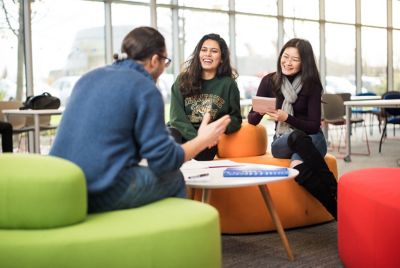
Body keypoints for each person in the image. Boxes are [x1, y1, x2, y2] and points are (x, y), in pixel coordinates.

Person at [50, 27, 231, 213]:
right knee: (174, 178)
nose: (163, 68)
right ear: (154, 60)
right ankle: (177, 239)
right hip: (97, 192)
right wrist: (202, 140)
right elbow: (164, 161)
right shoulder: (145, 88)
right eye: (165, 61)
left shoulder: (89, 77)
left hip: (61, 186)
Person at [247, 38, 337, 219]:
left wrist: (287, 117)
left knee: (298, 167)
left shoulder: (311, 84)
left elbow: (313, 126)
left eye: (294, 59)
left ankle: (338, 212)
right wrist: (261, 111)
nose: (287, 62)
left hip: (312, 139)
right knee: (295, 136)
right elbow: (252, 120)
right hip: (283, 141)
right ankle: (335, 188)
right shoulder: (269, 81)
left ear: (304, 62)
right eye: (285, 57)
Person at [168, 33, 242, 161]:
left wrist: (217, 131)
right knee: (170, 136)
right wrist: (198, 140)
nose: (208, 54)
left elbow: (235, 118)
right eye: (204, 50)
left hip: (208, 141)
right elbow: (176, 118)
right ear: (198, 54)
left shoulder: (228, 84)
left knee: (202, 153)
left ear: (222, 58)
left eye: (214, 51)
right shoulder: (183, 80)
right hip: (180, 134)